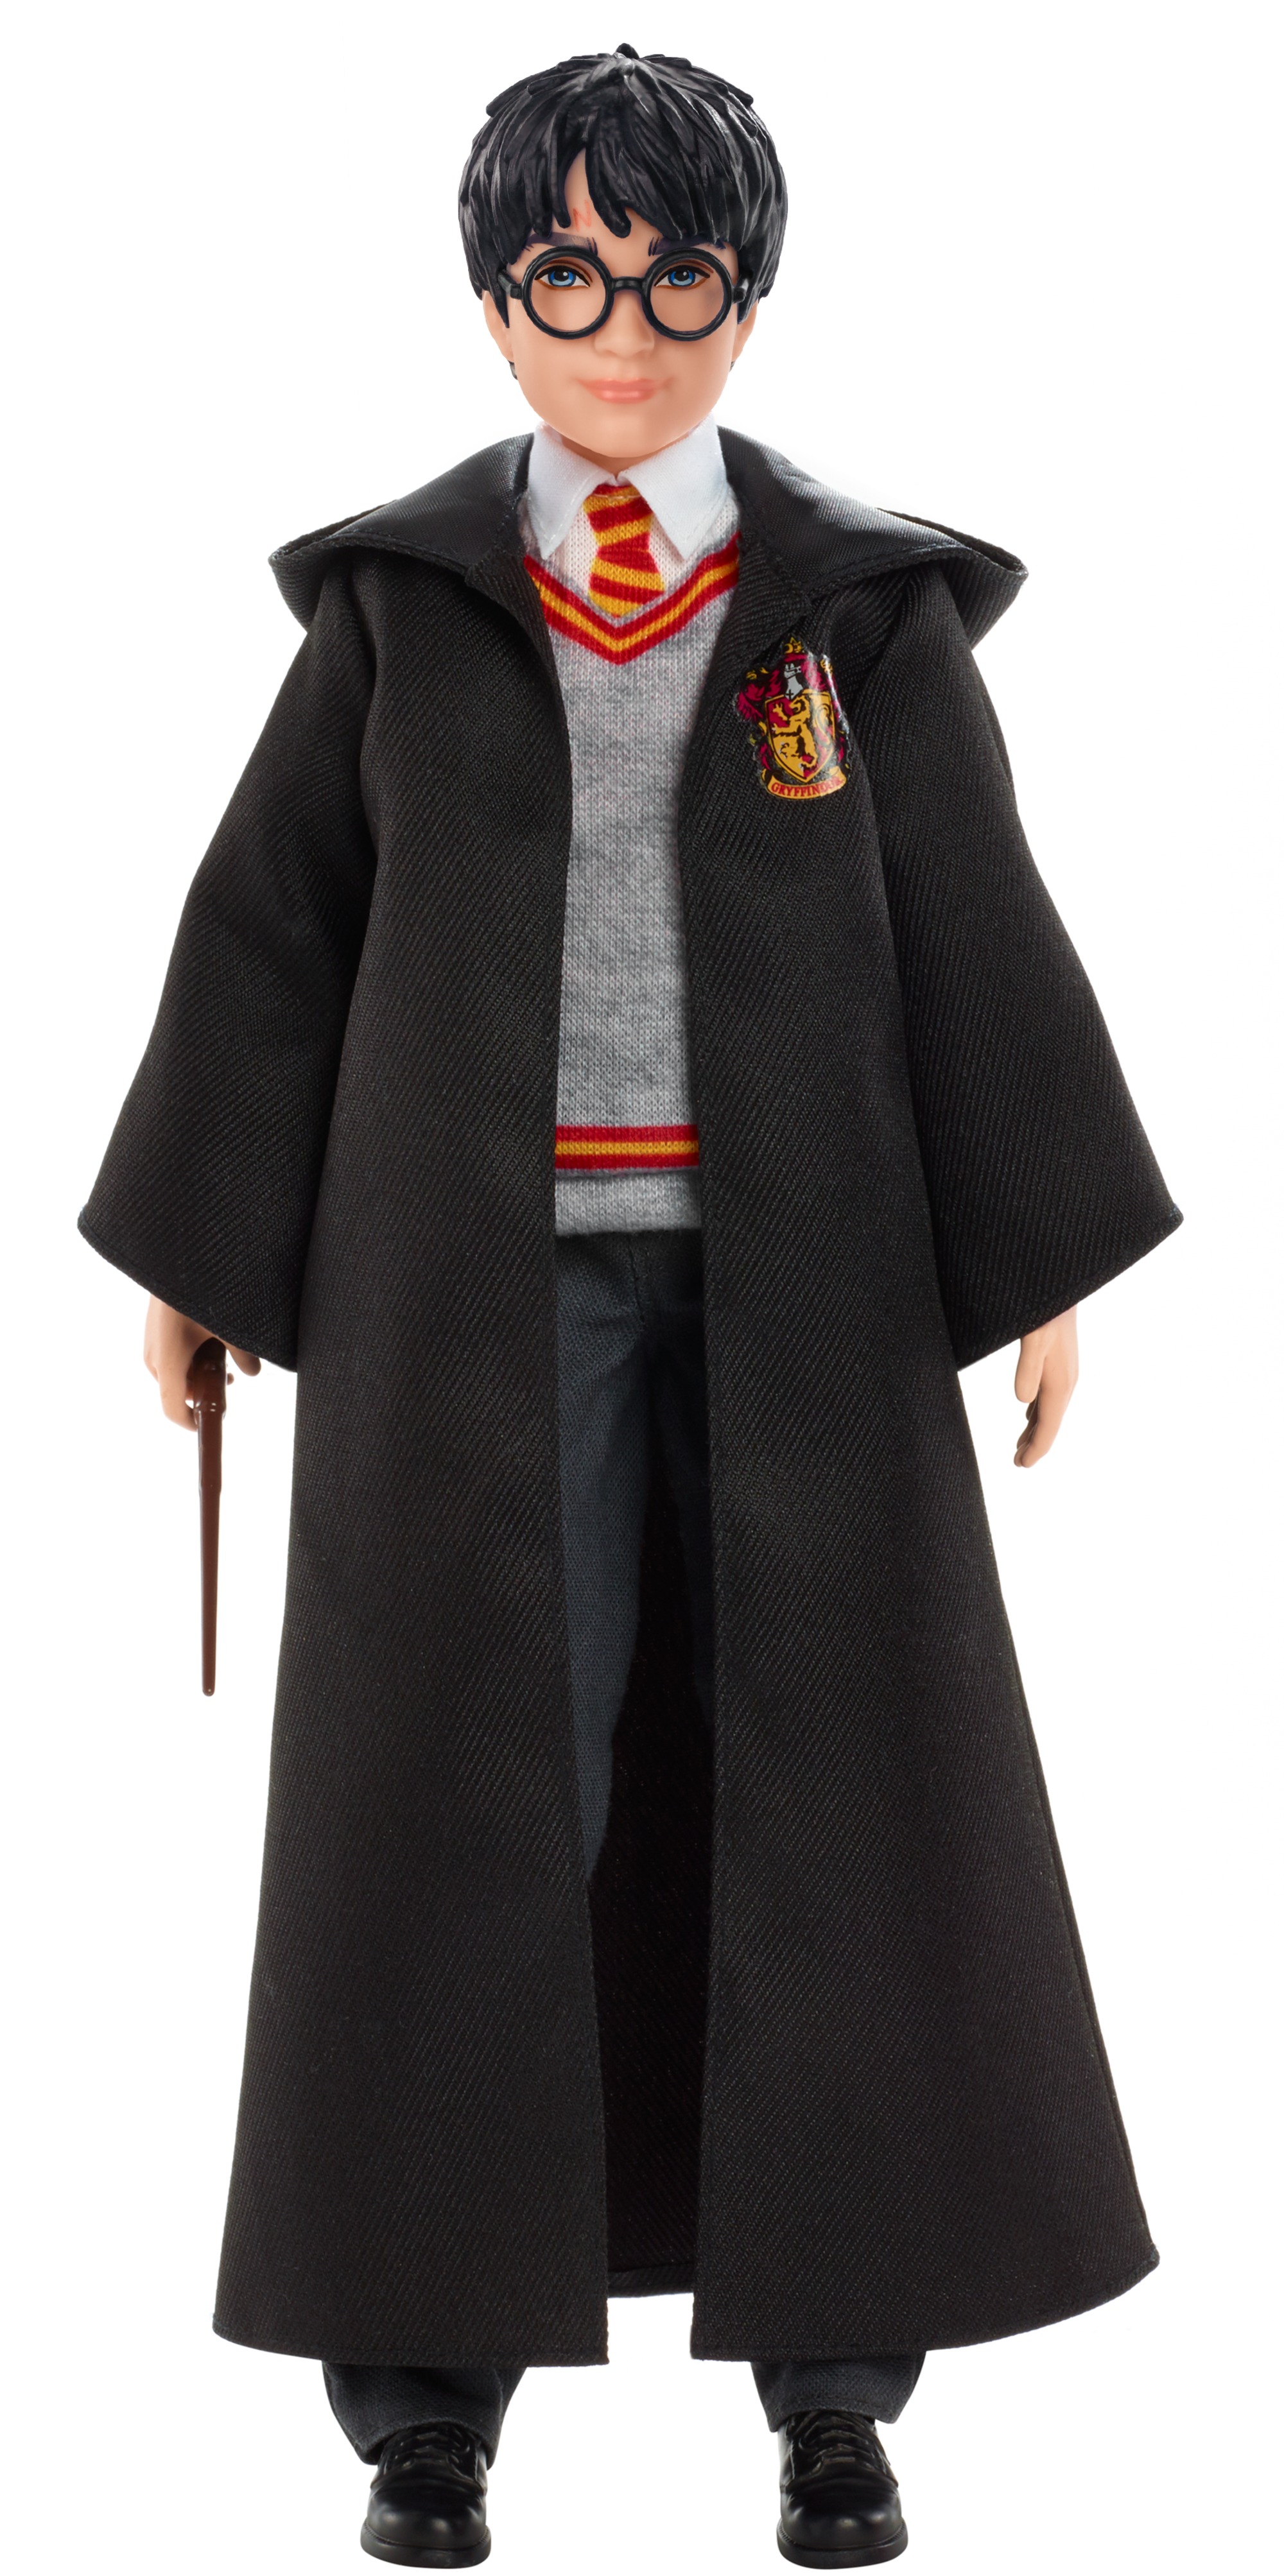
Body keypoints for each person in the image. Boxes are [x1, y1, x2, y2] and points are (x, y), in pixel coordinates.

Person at [81, 45, 1181, 2570]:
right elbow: (274, 932)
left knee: (833, 1794)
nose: (623, 335)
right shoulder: (406, 608)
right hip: (465, 1302)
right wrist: (201, 1257)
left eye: (678, 279)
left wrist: (1032, 1263)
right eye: (567, 279)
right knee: (461, 1800)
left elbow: (973, 926)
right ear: (493, 301)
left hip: (811, 1287)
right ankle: (424, 2396)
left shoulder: (846, 610)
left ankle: (837, 2391)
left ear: (745, 297)